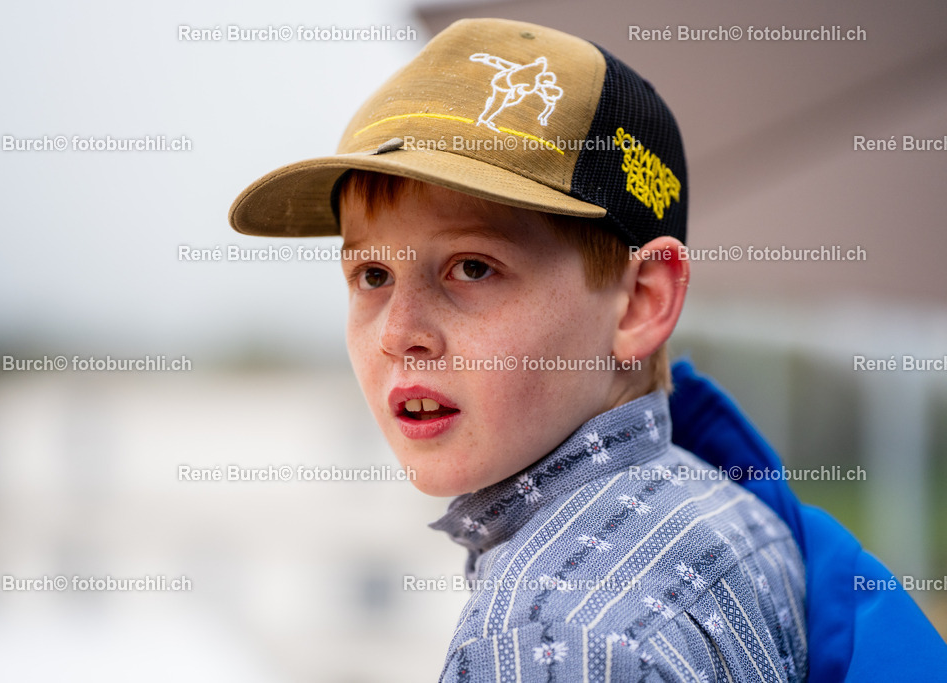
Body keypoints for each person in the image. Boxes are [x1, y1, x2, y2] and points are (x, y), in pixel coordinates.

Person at [228, 17, 947, 681]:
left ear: (642, 301)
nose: (397, 332)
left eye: (472, 267)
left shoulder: (545, 638)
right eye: (372, 274)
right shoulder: (734, 514)